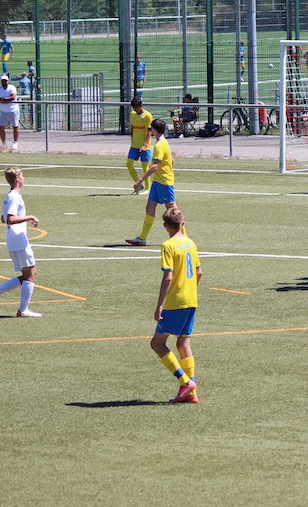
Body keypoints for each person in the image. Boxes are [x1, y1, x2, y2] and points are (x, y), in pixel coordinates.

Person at [150, 207, 201, 403]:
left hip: (176, 302)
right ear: (183, 224)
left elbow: (168, 277)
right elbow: (199, 272)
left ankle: (185, 382)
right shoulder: (190, 243)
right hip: (191, 299)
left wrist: (159, 305)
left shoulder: (168, 245)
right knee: (183, 343)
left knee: (157, 343)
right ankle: (192, 393)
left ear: (165, 226)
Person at [127, 118, 177, 246]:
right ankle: (142, 238)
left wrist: (140, 180)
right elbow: (171, 160)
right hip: (157, 182)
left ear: (154, 130)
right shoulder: (163, 142)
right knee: (150, 206)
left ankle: (182, 237)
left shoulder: (160, 145)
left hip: (164, 181)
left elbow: (155, 166)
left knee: (172, 211)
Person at [0, 167, 42, 317]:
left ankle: (23, 309)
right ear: (17, 178)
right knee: (31, 273)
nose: (24, 178)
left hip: (13, 238)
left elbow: (3, 218)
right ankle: (23, 310)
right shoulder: (14, 197)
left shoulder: (9, 196)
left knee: (27, 274)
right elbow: (10, 219)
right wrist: (29, 217)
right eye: (22, 175)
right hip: (18, 239)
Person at [127, 96, 153, 194]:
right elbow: (133, 128)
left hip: (144, 146)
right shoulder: (132, 114)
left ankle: (147, 188)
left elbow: (149, 132)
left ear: (141, 105)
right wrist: (132, 139)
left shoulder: (147, 116)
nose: (135, 110)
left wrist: (145, 145)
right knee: (129, 164)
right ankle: (138, 185)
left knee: (145, 167)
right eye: (134, 108)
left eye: (136, 107)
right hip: (134, 145)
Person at [0, 73, 21, 152]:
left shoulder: (12, 87)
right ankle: (4, 143)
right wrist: (4, 100)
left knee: (15, 126)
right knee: (1, 127)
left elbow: (13, 97)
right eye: (2, 81)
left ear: (8, 81)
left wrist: (4, 99)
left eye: (5, 81)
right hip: (4, 111)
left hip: (13, 110)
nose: (4, 82)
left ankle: (15, 142)